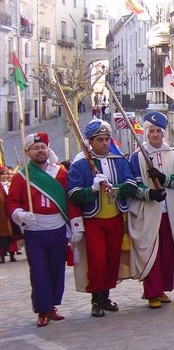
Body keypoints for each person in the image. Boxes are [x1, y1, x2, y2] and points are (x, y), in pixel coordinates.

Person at [6, 133, 79, 327]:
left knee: (56, 269)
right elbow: (11, 201)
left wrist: (73, 226)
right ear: (28, 152)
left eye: (43, 147)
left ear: (48, 150)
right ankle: (42, 309)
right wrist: (20, 214)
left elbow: (69, 199)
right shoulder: (22, 176)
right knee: (39, 271)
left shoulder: (60, 173)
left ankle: (53, 305)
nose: (40, 151)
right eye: (36, 148)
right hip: (34, 229)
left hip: (57, 228)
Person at [68, 120, 138, 317]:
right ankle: (96, 299)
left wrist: (116, 189)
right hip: (93, 219)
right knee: (97, 260)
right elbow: (73, 194)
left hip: (116, 216)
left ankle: (105, 296)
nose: (105, 143)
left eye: (107, 139)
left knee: (111, 259)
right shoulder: (81, 163)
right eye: (100, 139)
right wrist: (92, 189)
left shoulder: (118, 159)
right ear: (91, 141)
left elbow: (131, 183)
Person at [128, 112, 174, 309]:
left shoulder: (173, 154)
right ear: (146, 133)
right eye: (151, 131)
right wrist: (150, 194)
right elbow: (133, 185)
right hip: (149, 212)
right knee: (151, 253)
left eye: (158, 131)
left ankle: (162, 288)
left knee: (167, 253)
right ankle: (152, 292)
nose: (155, 134)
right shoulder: (136, 157)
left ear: (164, 134)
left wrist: (163, 179)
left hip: (171, 212)